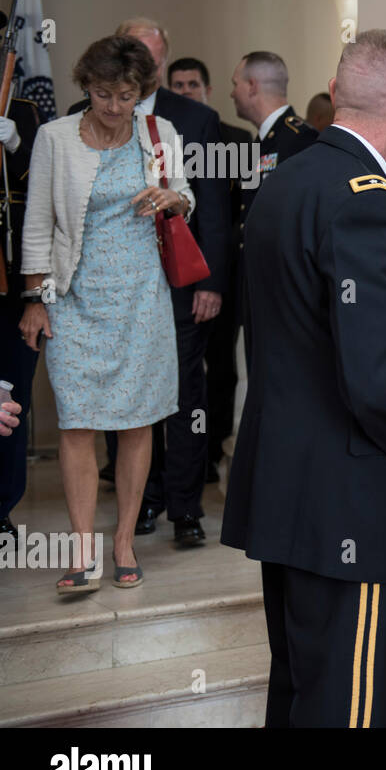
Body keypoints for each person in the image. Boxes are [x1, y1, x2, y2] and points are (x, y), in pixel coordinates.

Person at [221, 29, 386, 728]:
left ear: (335, 92)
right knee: (354, 709)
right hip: (347, 501)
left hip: (284, 486)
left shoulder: (286, 179)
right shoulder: (367, 198)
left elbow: (307, 329)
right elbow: (371, 383)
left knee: (303, 693)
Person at [20, 36, 195, 594]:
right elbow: (38, 221)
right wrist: (34, 299)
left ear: (141, 92)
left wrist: (172, 199)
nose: (114, 107)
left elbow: (184, 194)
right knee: (77, 421)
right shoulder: (54, 138)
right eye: (102, 94)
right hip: (74, 297)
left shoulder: (159, 134)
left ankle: (122, 540)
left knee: (138, 419)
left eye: (125, 95)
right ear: (85, 86)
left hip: (142, 297)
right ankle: (80, 550)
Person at [71, 19, 230, 549]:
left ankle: (185, 508)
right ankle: (142, 504)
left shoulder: (193, 118)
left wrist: (211, 281)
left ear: (160, 61)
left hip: (180, 283)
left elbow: (213, 205)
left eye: (151, 55)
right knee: (124, 394)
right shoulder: (75, 122)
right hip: (104, 290)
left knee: (184, 396)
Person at [167, 56, 253, 483]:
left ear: (207, 88)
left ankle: (215, 443)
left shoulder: (236, 139)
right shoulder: (162, 137)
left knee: (220, 366)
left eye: (192, 84)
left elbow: (240, 207)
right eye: (177, 85)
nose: (185, 91)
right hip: (176, 273)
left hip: (225, 271)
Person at [0, 88, 42, 539]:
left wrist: (16, 147)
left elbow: (47, 190)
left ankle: (1, 509)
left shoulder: (26, 113)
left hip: (15, 281)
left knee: (11, 400)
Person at [229, 51, 317, 235]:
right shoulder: (261, 141)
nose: (232, 94)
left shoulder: (300, 140)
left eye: (235, 84)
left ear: (252, 86)